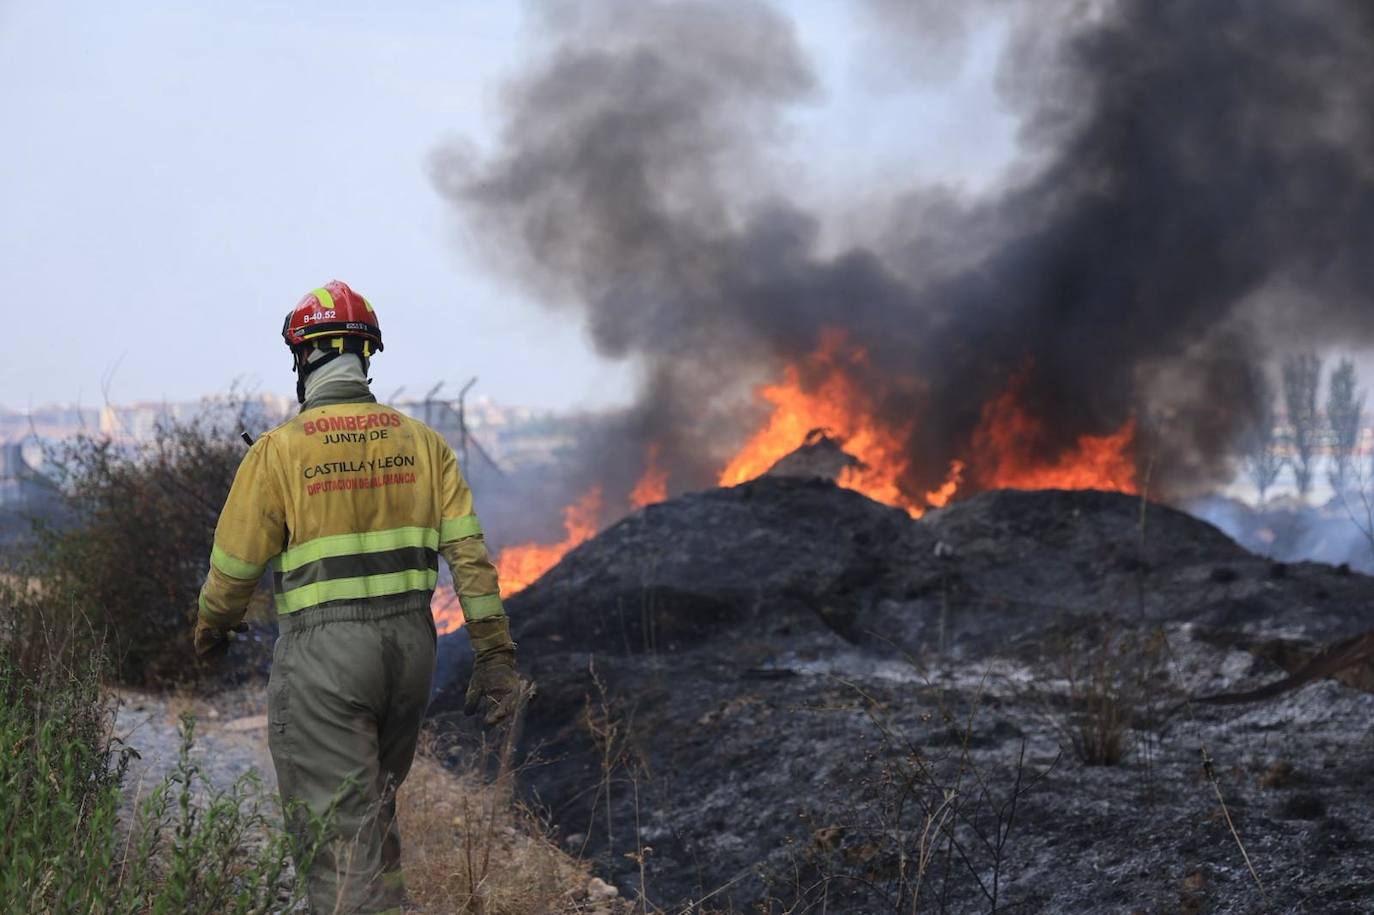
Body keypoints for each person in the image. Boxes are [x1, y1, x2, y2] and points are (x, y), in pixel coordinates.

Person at [192, 280, 520, 914]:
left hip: (326, 660)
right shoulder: (425, 446)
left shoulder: (279, 452)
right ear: (365, 355)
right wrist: (495, 656)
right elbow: (471, 562)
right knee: (370, 823)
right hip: (408, 657)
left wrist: (211, 631)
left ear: (303, 358)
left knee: (339, 849)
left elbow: (232, 571)